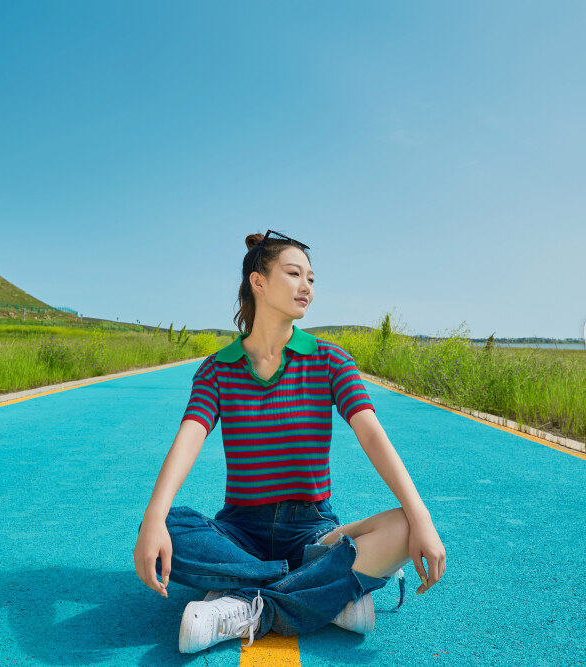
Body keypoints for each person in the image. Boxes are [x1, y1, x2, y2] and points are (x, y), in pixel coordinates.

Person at [133, 230, 446, 653]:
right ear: (258, 282)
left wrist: (422, 515)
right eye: (295, 274)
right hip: (239, 529)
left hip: (313, 529)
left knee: (406, 526)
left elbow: (371, 433)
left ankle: (249, 606)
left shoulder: (330, 359)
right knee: (165, 525)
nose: (307, 288)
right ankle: (324, 596)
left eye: (312, 279)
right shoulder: (216, 370)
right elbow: (189, 437)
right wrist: (154, 515)